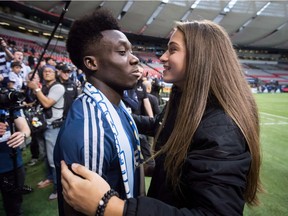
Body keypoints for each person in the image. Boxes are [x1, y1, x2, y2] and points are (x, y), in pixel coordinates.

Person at [60, 19, 263, 216]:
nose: (163, 57)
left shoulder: (220, 127)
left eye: (172, 49)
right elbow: (160, 126)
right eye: (123, 52)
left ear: (200, 56)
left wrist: (113, 208)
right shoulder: (183, 103)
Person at [53, 9, 144, 216]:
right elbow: (82, 208)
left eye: (131, 51)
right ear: (91, 63)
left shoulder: (117, 108)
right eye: (122, 52)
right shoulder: (90, 130)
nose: (134, 59)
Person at [27, 65, 65, 200]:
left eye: (50, 71)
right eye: (45, 71)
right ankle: (50, 178)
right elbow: (37, 103)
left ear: (55, 74)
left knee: (54, 159)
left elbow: (47, 103)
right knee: (48, 158)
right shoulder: (44, 87)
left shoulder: (58, 87)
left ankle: (58, 189)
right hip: (43, 126)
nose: (47, 73)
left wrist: (36, 88)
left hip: (53, 127)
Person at [0, 104, 31, 216]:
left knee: (14, 206)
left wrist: (22, 134)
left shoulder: (6, 98)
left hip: (12, 164)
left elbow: (25, 128)